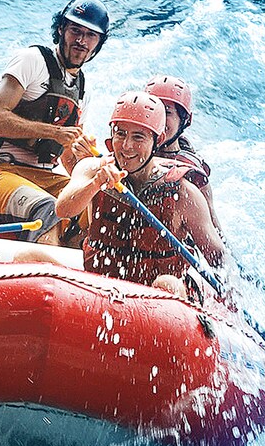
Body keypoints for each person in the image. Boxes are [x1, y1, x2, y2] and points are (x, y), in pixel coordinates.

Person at [55, 92, 225, 298]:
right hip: (100, 288)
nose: (127, 146)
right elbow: (63, 210)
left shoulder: (182, 191)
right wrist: (96, 183)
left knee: (167, 284)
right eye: (120, 134)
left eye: (138, 137)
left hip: (160, 298)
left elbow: (217, 258)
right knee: (30, 256)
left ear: (157, 140)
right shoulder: (92, 169)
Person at [0, 0, 110, 247]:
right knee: (49, 207)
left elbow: (68, 160)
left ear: (98, 43)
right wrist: (53, 132)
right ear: (61, 30)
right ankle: (48, 275)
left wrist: (82, 158)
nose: (81, 41)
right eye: (75, 31)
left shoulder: (83, 91)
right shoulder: (32, 60)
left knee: (97, 205)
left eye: (90, 35)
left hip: (44, 176)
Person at [144, 75, 221, 230]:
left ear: (185, 120)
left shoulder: (192, 172)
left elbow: (214, 229)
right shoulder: (129, 151)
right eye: (153, 110)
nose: (158, 119)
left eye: (167, 112)